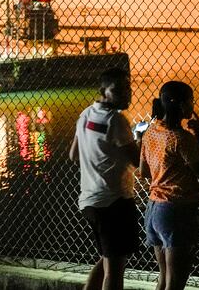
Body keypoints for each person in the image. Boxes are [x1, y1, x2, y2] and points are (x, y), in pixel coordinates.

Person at [69, 68, 140, 290]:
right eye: (118, 90)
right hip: (114, 202)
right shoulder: (116, 121)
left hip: (90, 201)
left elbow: (74, 155)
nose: (126, 94)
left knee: (107, 259)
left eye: (127, 89)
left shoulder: (86, 115)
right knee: (115, 273)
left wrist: (101, 156)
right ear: (103, 91)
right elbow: (138, 161)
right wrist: (141, 139)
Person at [139, 81, 199, 290]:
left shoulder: (151, 132)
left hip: (153, 210)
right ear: (181, 105)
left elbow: (144, 172)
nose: (193, 106)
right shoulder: (182, 138)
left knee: (164, 279)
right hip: (176, 211)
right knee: (176, 283)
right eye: (191, 101)